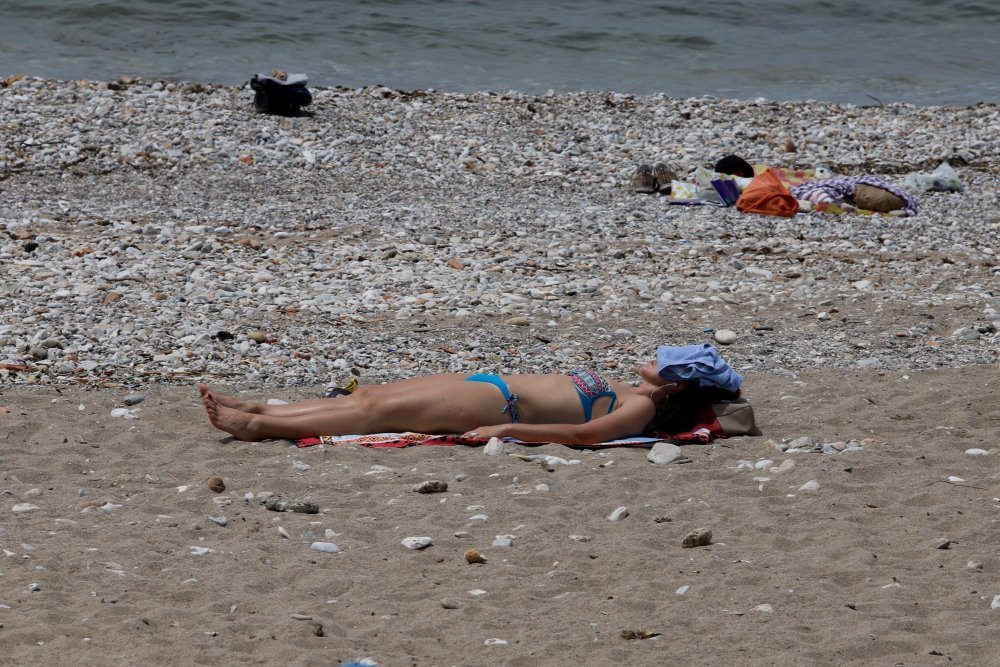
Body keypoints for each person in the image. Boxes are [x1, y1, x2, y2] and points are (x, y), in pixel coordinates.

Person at [200, 344, 742, 445]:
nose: (654, 357)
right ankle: (264, 408)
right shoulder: (631, 389)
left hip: (498, 405)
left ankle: (258, 426)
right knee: (371, 396)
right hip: (491, 384)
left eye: (665, 362)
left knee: (372, 413)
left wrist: (507, 429)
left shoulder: (640, 407)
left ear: (675, 383)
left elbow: (583, 435)